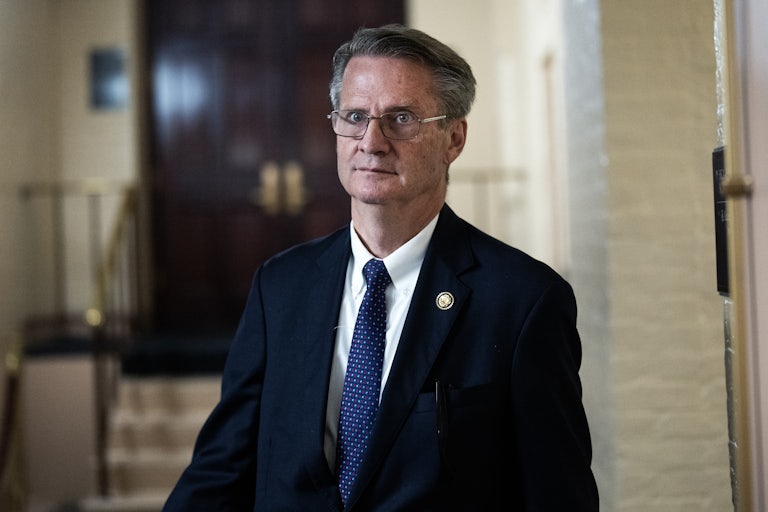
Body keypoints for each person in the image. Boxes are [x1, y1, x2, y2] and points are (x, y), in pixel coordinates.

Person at [163, 24, 599, 511]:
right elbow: (222, 470)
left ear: (453, 139)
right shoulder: (280, 288)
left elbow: (558, 497)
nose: (371, 141)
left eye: (402, 118)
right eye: (354, 116)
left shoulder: (524, 302)